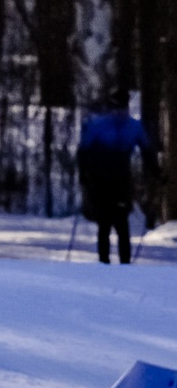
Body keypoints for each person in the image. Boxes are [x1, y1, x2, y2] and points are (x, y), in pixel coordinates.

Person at [76, 95, 150, 265]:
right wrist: (83, 174)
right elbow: (83, 151)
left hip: (121, 181)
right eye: (117, 109)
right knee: (104, 223)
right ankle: (104, 262)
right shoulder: (98, 125)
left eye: (123, 109)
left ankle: (125, 263)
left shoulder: (134, 126)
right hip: (100, 181)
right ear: (111, 109)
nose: (120, 113)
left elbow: (147, 151)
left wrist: (157, 173)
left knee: (122, 224)